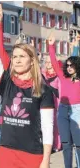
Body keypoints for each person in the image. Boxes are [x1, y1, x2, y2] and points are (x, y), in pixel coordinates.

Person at [0, 2, 54, 168]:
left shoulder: (43, 90)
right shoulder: (6, 82)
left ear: (32, 61)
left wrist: (46, 159)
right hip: (7, 151)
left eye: (22, 56)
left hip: (32, 154)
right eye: (14, 56)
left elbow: (47, 127)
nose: (16, 60)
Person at [48, 35, 80, 168]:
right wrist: (51, 46)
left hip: (77, 111)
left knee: (78, 144)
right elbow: (55, 63)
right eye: (67, 65)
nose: (69, 67)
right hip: (62, 110)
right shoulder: (62, 77)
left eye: (72, 65)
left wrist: (76, 46)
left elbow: (75, 56)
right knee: (66, 144)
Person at [42, 56, 62, 152]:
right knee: (45, 125)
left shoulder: (58, 75)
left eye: (50, 62)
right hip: (45, 101)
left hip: (55, 102)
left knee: (55, 125)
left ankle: (57, 145)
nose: (47, 64)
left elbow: (61, 92)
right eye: (46, 62)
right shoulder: (43, 73)